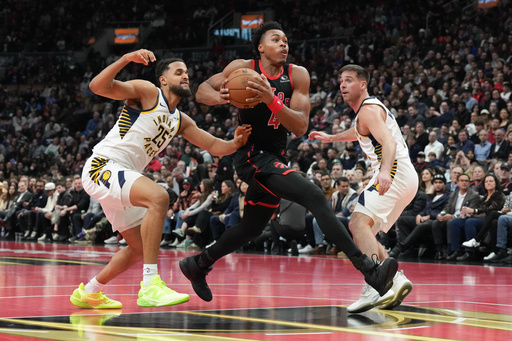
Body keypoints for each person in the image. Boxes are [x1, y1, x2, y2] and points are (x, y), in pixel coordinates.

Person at [179, 22, 397, 306]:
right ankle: (370, 271)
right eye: (276, 39)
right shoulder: (243, 67)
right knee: (314, 195)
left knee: (251, 228)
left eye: (285, 39)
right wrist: (221, 96)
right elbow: (201, 92)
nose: (284, 44)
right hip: (251, 156)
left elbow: (300, 127)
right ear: (260, 47)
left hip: (275, 157)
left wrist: (271, 100)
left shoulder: (297, 75)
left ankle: (198, 264)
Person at [70, 49, 251, 309]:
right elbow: (97, 86)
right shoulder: (148, 92)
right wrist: (124, 60)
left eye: (187, 72)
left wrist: (235, 142)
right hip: (103, 166)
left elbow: (213, 145)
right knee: (159, 196)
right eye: (179, 72)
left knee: (139, 248)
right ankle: (150, 285)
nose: (186, 76)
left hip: (122, 174)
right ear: (163, 80)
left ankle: (90, 291)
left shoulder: (179, 120)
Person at [308, 64, 418, 313]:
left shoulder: (368, 109)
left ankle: (375, 283)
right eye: (340, 81)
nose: (343, 85)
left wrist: (383, 171)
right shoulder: (368, 112)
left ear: (363, 84)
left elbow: (387, 142)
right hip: (404, 174)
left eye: (348, 80)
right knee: (363, 229)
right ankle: (394, 280)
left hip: (394, 171)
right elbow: (360, 132)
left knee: (357, 223)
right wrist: (331, 138)